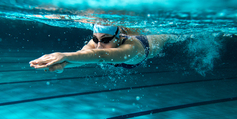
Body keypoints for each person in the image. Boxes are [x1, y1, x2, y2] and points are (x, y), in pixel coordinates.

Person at [29, 24, 173, 73]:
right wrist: (62, 65)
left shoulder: (131, 48)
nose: (98, 45)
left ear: (119, 38)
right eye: (95, 39)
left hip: (154, 42)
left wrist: (63, 55)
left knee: (170, 35)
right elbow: (83, 56)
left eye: (104, 40)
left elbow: (101, 55)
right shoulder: (99, 44)